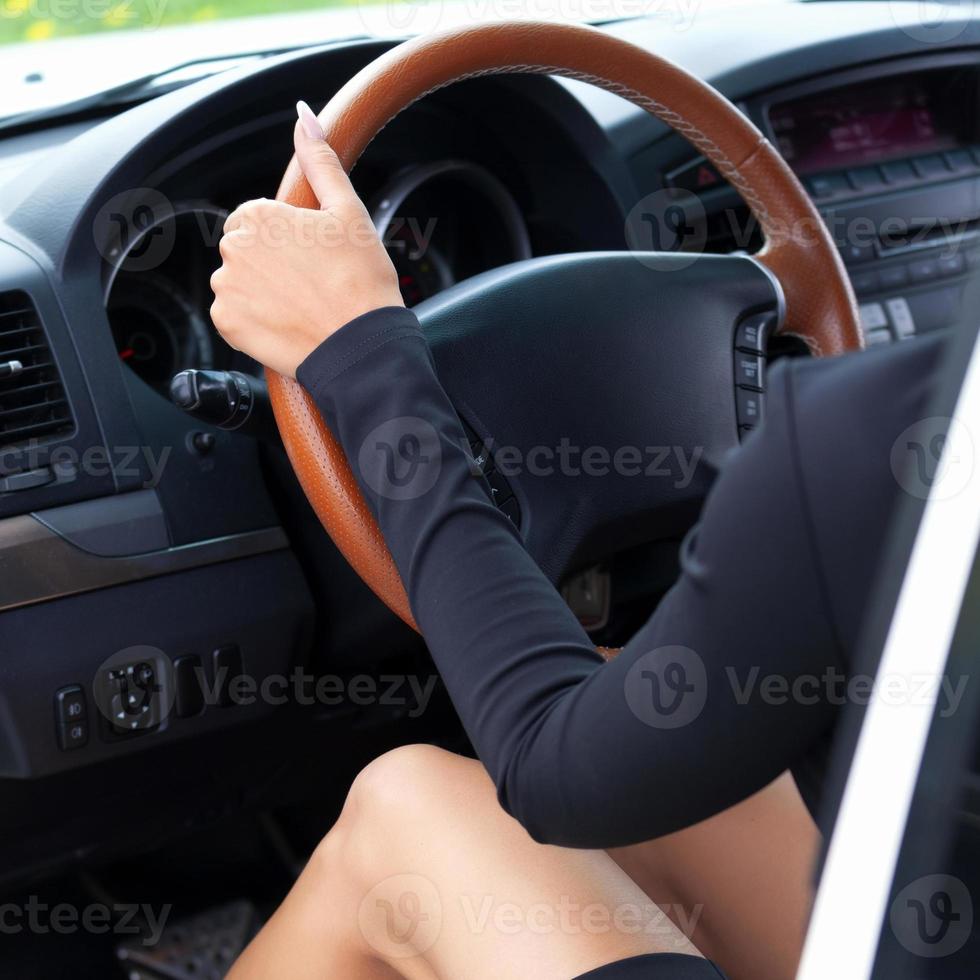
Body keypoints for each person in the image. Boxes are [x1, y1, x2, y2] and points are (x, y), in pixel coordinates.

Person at [210, 102, 946, 980]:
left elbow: (550, 769)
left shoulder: (859, 439)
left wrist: (362, 357)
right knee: (654, 724)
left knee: (405, 809)